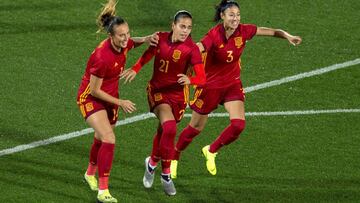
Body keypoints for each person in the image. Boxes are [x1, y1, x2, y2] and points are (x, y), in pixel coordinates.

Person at [171, 0, 302, 178]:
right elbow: (198, 48)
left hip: (232, 84)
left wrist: (287, 36)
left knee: (238, 125)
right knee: (195, 127)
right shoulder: (214, 35)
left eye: (238, 15)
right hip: (210, 87)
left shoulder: (244, 31)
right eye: (232, 15)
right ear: (223, 16)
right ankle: (174, 156)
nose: (236, 18)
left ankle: (211, 150)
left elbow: (270, 31)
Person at [76, 0, 158, 202]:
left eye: (127, 33)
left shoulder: (123, 43)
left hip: (110, 97)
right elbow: (94, 90)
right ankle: (103, 190)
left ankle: (89, 174)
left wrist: (146, 39)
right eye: (121, 35)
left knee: (100, 137)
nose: (126, 38)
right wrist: (120, 102)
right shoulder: (102, 57)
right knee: (109, 138)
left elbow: (132, 42)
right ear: (110, 36)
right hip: (91, 98)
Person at [120, 10, 205, 196]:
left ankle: (151, 164)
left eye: (189, 28)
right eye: (182, 26)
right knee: (169, 128)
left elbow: (202, 77)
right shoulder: (159, 38)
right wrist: (136, 68)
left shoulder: (191, 49)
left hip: (179, 96)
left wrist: (192, 80)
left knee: (163, 130)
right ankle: (166, 175)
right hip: (158, 91)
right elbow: (149, 54)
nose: (185, 31)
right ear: (172, 25)